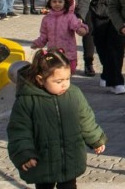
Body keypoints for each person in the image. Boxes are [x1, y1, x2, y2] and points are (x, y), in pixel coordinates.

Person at [7, 49, 106, 189]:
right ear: (40, 79)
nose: (65, 84)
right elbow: (19, 131)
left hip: (70, 158)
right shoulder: (27, 100)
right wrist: (24, 154)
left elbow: (86, 119)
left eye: (68, 78)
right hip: (42, 160)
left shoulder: (74, 94)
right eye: (58, 81)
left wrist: (95, 139)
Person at [32, 0, 89, 74]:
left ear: (65, 3)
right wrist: (37, 43)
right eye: (54, 2)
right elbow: (44, 36)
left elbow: (77, 25)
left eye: (60, 2)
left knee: (68, 72)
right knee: (54, 74)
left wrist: (81, 30)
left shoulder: (70, 17)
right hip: (53, 53)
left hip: (68, 53)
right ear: (50, 3)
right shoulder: (46, 19)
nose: (57, 4)